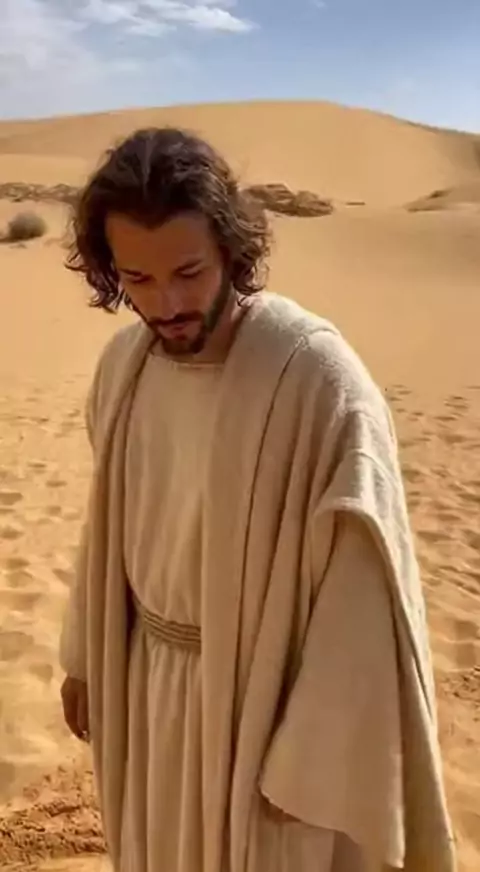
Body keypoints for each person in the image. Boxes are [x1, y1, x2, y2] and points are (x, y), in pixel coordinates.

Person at [59, 127, 455, 872]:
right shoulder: (123, 367)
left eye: (189, 272)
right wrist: (85, 654)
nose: (167, 303)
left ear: (231, 250)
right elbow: (107, 523)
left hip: (264, 709)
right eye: (138, 279)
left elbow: (367, 584)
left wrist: (315, 751)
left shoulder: (315, 378)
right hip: (148, 686)